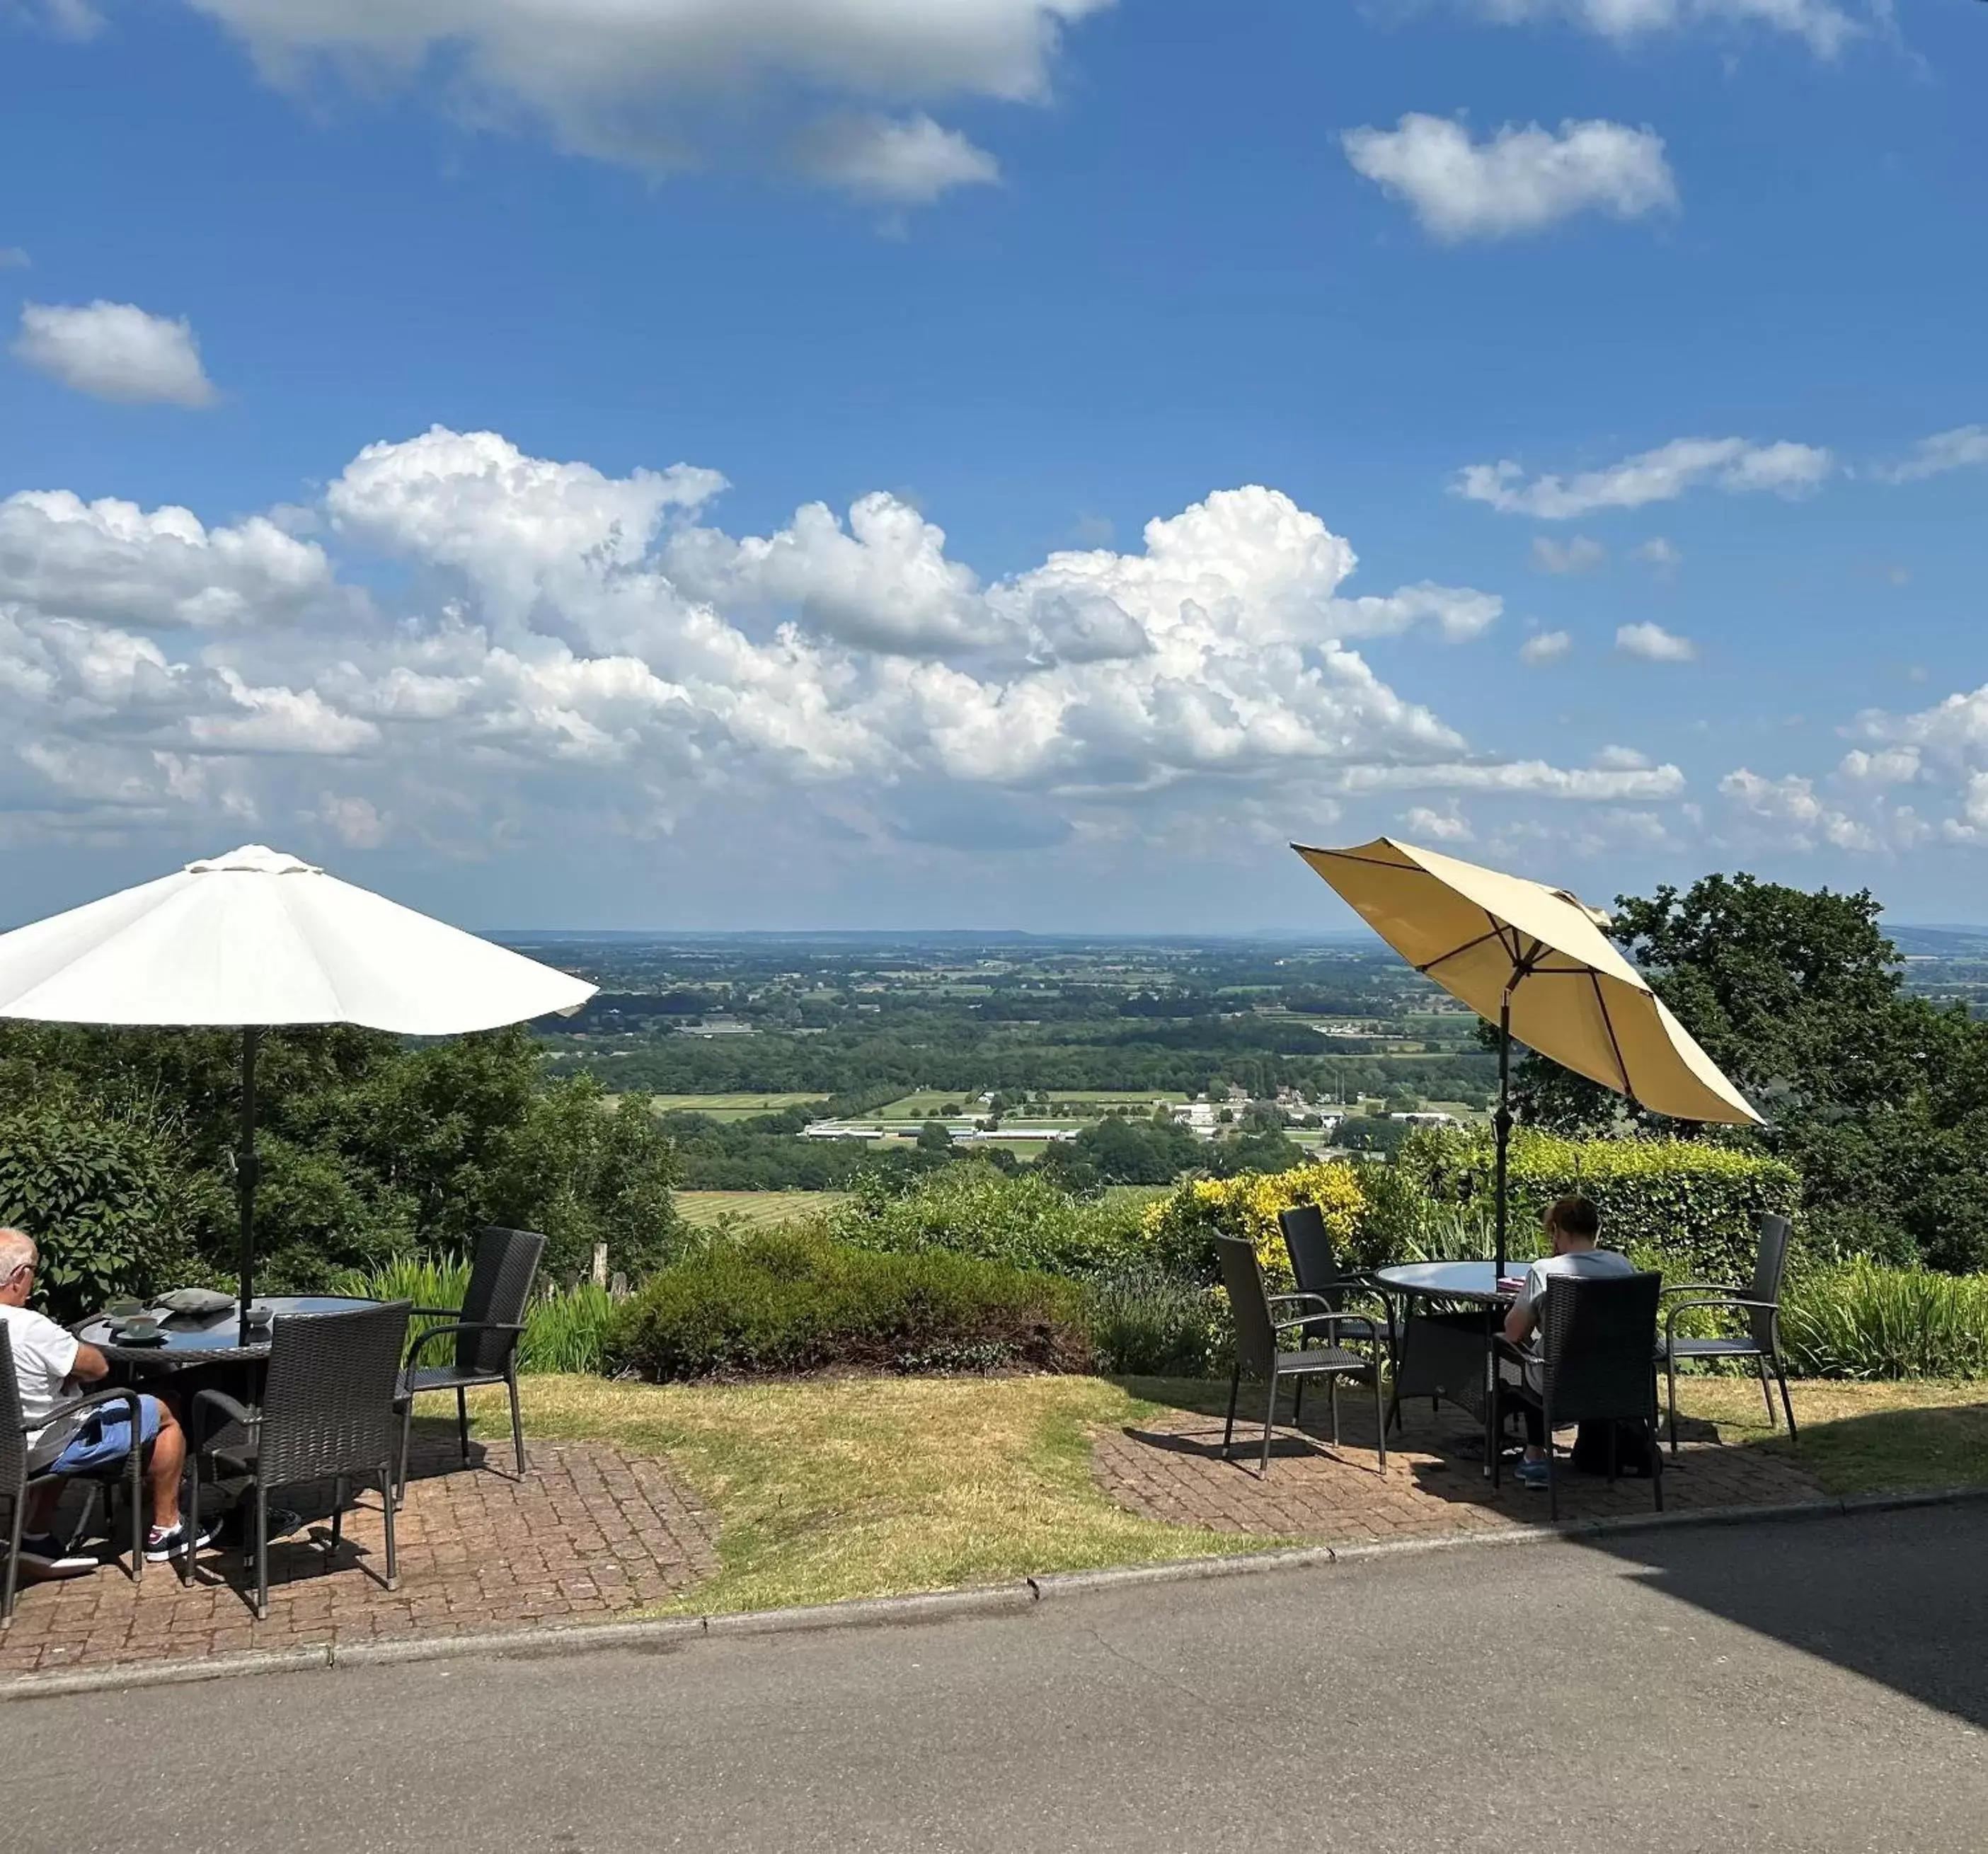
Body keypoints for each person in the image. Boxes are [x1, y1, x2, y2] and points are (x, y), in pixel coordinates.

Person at [0, 1228, 207, 1572]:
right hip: (43, 1445)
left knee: (57, 1415)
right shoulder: (28, 1327)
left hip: (9, 1450)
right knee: (166, 1409)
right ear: (19, 1277)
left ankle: (34, 1534)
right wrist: (69, 1368)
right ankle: (168, 1531)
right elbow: (97, 1368)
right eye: (34, 1271)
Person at [1499, 1194, 1634, 1490]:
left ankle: (1534, 1456)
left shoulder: (1545, 1271)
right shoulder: (1623, 1266)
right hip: (1615, 1383)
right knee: (1542, 1359)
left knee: (1512, 1361)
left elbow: (1513, 1333)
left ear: (1558, 1231)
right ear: (1595, 1230)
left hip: (1557, 1382)